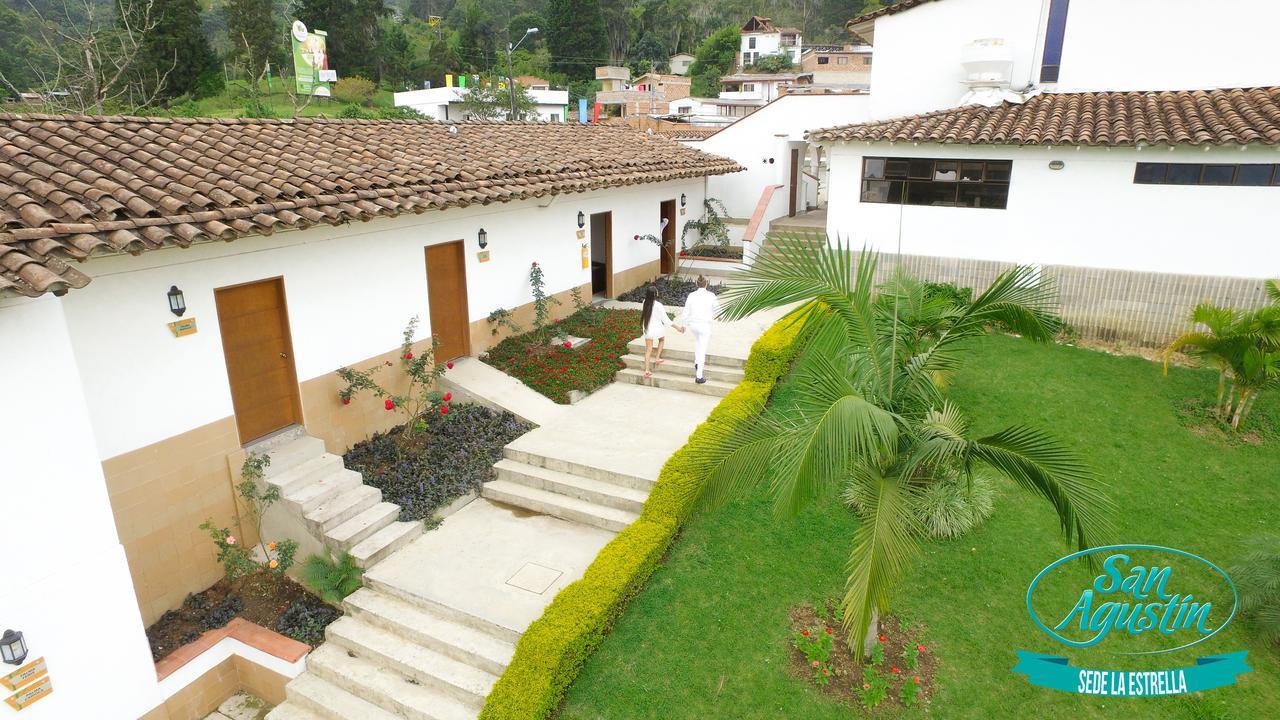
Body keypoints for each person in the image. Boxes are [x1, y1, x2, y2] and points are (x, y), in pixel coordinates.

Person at [679, 275, 720, 384]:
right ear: (706, 284)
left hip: (693, 326)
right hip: (704, 326)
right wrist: (721, 316)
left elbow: (686, 311)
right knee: (702, 349)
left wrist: (684, 324)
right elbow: (718, 310)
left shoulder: (691, 295)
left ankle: (697, 363)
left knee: (698, 343)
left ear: (696, 284)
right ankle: (699, 376)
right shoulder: (711, 295)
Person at [640, 286, 684, 378]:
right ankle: (657, 358)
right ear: (656, 294)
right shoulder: (658, 305)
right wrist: (678, 328)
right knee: (661, 340)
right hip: (658, 329)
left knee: (648, 350)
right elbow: (666, 320)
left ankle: (647, 370)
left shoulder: (644, 302)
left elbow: (644, 316)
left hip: (648, 329)